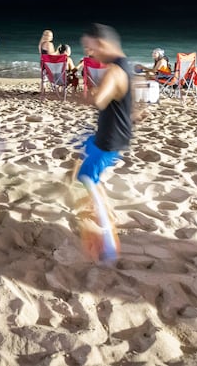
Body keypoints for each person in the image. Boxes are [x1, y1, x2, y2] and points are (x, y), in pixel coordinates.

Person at [76, 23, 133, 262]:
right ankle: (107, 211)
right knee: (83, 144)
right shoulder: (126, 64)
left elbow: (100, 100)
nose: (89, 54)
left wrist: (86, 92)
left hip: (110, 140)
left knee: (86, 177)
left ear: (101, 44)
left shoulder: (113, 71)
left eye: (90, 48)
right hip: (113, 135)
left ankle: (109, 244)